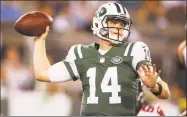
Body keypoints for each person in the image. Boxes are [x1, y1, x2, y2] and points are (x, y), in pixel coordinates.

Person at [33, 2, 170, 116]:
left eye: (122, 24)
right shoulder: (81, 53)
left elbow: (165, 92)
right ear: (99, 23)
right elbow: (42, 73)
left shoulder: (134, 50)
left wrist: (154, 86)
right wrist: (40, 41)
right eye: (114, 22)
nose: (118, 28)